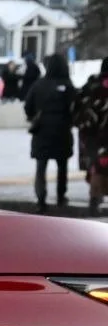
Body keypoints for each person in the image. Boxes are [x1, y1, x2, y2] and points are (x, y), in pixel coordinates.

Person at [24, 51, 75, 211]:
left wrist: (35, 117)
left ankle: (41, 199)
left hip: (42, 130)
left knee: (41, 166)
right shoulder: (68, 85)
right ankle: (61, 197)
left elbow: (28, 106)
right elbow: (75, 107)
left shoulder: (39, 85)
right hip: (62, 130)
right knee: (62, 165)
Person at [74, 69, 108, 215]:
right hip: (101, 137)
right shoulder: (100, 89)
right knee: (100, 170)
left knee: (96, 169)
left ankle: (95, 202)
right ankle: (95, 201)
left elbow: (79, 112)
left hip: (91, 138)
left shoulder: (91, 87)